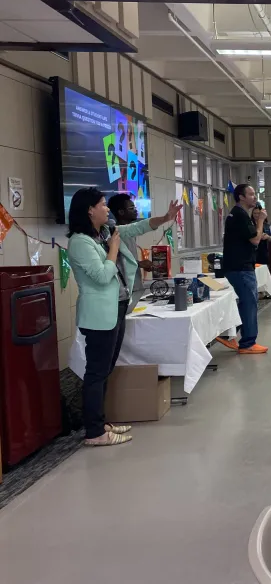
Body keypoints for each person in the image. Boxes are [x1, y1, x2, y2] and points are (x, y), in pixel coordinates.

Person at [68, 187, 182, 446]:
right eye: (102, 204)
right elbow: (101, 275)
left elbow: (137, 228)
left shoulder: (105, 232)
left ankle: (101, 421)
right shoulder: (80, 242)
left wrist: (165, 217)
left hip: (117, 306)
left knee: (106, 369)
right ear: (89, 210)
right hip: (99, 315)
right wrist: (113, 249)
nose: (107, 209)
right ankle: (94, 432)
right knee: (96, 372)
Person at [219, 184, 270, 355]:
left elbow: (249, 238)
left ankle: (230, 334)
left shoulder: (239, 215)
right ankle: (248, 342)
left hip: (238, 265)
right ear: (241, 196)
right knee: (249, 303)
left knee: (245, 302)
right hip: (241, 267)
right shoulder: (240, 215)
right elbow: (255, 240)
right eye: (251, 194)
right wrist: (261, 221)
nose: (254, 197)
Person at [107, 193, 152, 310]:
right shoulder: (115, 234)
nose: (136, 211)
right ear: (121, 212)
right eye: (131, 208)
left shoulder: (131, 233)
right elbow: (115, 262)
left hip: (137, 285)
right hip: (125, 289)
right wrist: (140, 264)